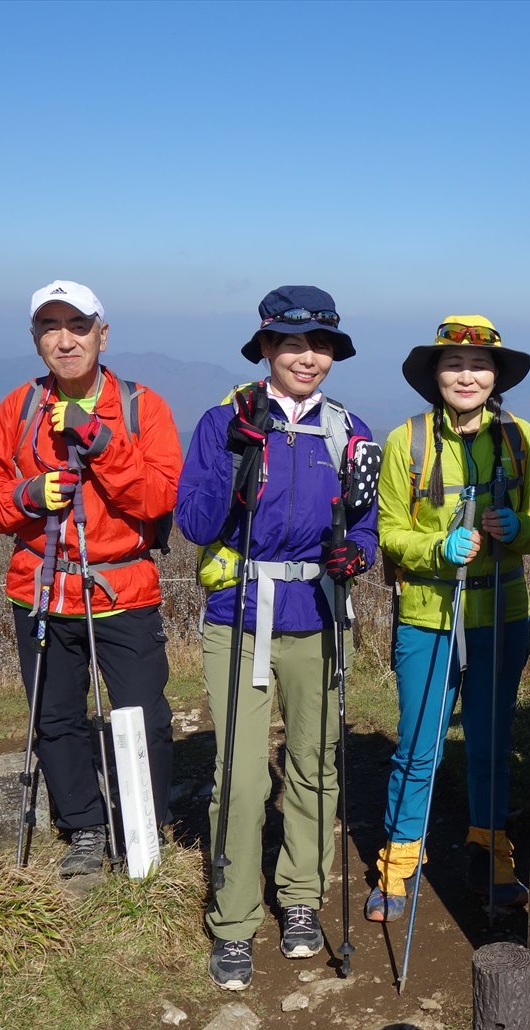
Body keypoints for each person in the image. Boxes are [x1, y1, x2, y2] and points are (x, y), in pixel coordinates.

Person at [175, 286, 378, 990]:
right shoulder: (221, 423)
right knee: (240, 773)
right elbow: (196, 525)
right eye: (292, 343)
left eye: (320, 344)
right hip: (240, 618)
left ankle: (299, 896)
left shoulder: (350, 431)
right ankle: (233, 923)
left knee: (315, 764)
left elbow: (364, 521)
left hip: (319, 616)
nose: (307, 356)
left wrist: (359, 553)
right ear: (265, 348)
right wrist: (237, 461)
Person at [0, 280, 181, 877]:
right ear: (36, 339)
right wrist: (27, 495)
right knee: (55, 716)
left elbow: (161, 498)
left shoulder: (142, 407)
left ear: (102, 335)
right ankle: (84, 828)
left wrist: (98, 438)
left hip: (123, 588)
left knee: (141, 715)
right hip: (41, 589)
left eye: (78, 326)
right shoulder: (19, 408)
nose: (65, 340)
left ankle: (144, 828)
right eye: (50, 328)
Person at [366, 315, 530, 922]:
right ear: (434, 375)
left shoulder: (522, 439)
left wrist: (517, 530)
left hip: (502, 611)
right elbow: (389, 533)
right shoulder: (404, 443)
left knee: (491, 745)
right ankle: (396, 864)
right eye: (453, 365)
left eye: (479, 366)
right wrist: (437, 548)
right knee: (419, 746)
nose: (467, 376)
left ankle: (493, 857)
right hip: (427, 616)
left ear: (497, 377)